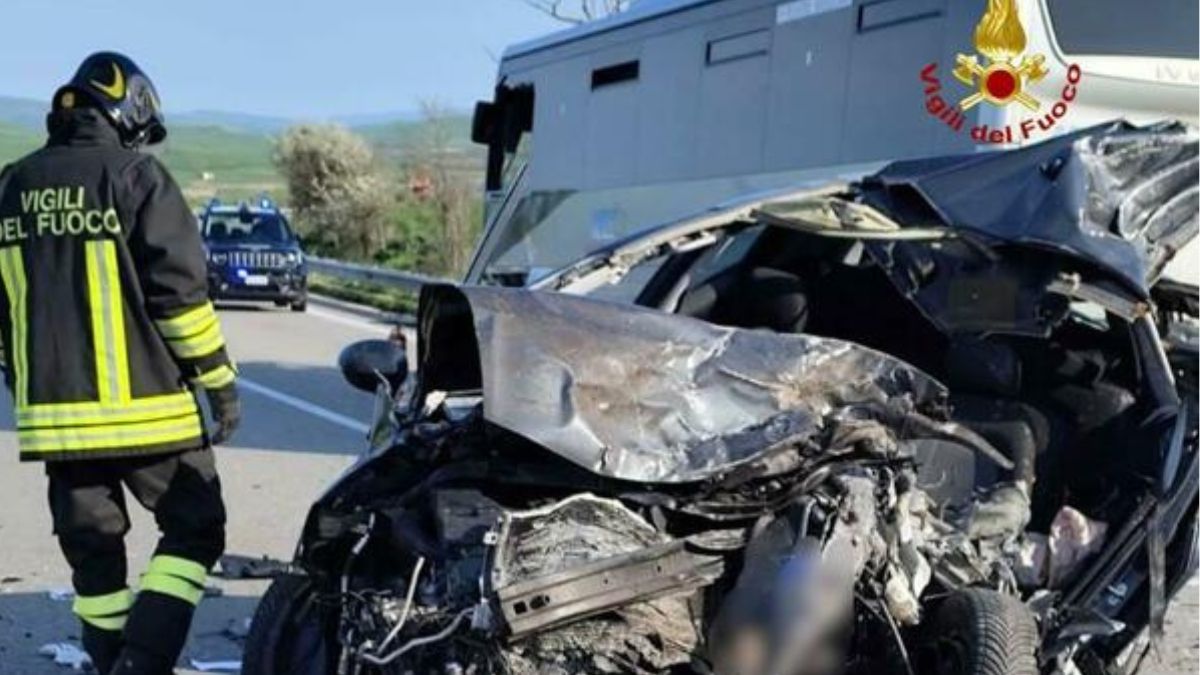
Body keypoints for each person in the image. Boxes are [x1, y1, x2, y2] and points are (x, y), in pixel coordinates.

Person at [0, 52, 241, 674]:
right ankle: (143, 662)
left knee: (95, 556)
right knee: (196, 529)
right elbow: (180, 299)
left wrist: (22, 384)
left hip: (56, 422)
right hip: (149, 416)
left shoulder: (10, 186)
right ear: (129, 108)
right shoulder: (137, 177)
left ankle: (112, 663)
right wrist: (219, 384)